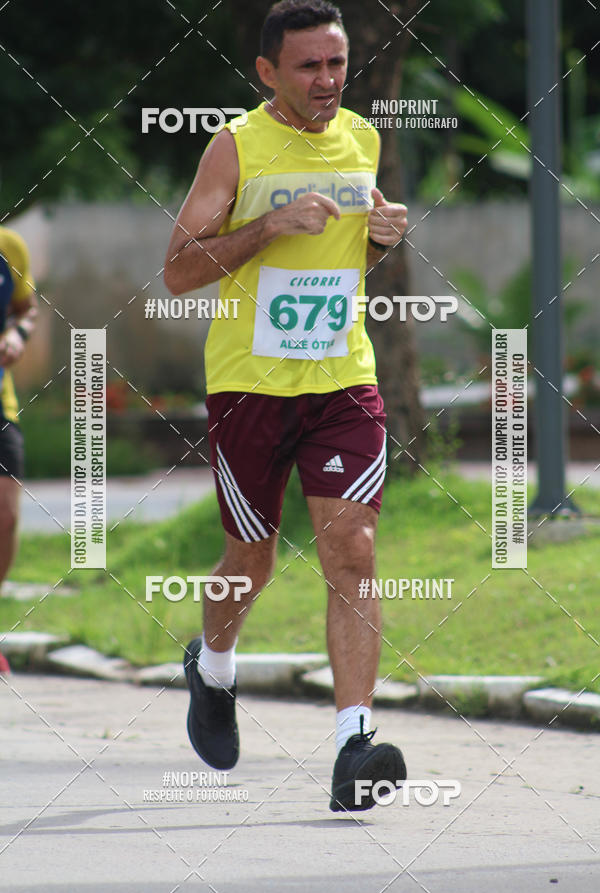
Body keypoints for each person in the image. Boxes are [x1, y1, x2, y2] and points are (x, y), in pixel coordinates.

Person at [165, 0, 408, 812]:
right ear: (268, 71)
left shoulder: (365, 139)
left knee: (355, 550)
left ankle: (354, 746)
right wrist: (269, 225)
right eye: (308, 66)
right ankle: (215, 666)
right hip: (251, 388)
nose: (328, 80)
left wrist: (379, 240)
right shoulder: (234, 146)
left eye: (337, 63)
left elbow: (344, 263)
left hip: (342, 380)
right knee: (253, 559)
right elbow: (178, 271)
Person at [0, 226, 38, 674]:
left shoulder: (9, 247)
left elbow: (26, 311)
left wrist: (17, 335)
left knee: (6, 518)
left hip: (0, 403)